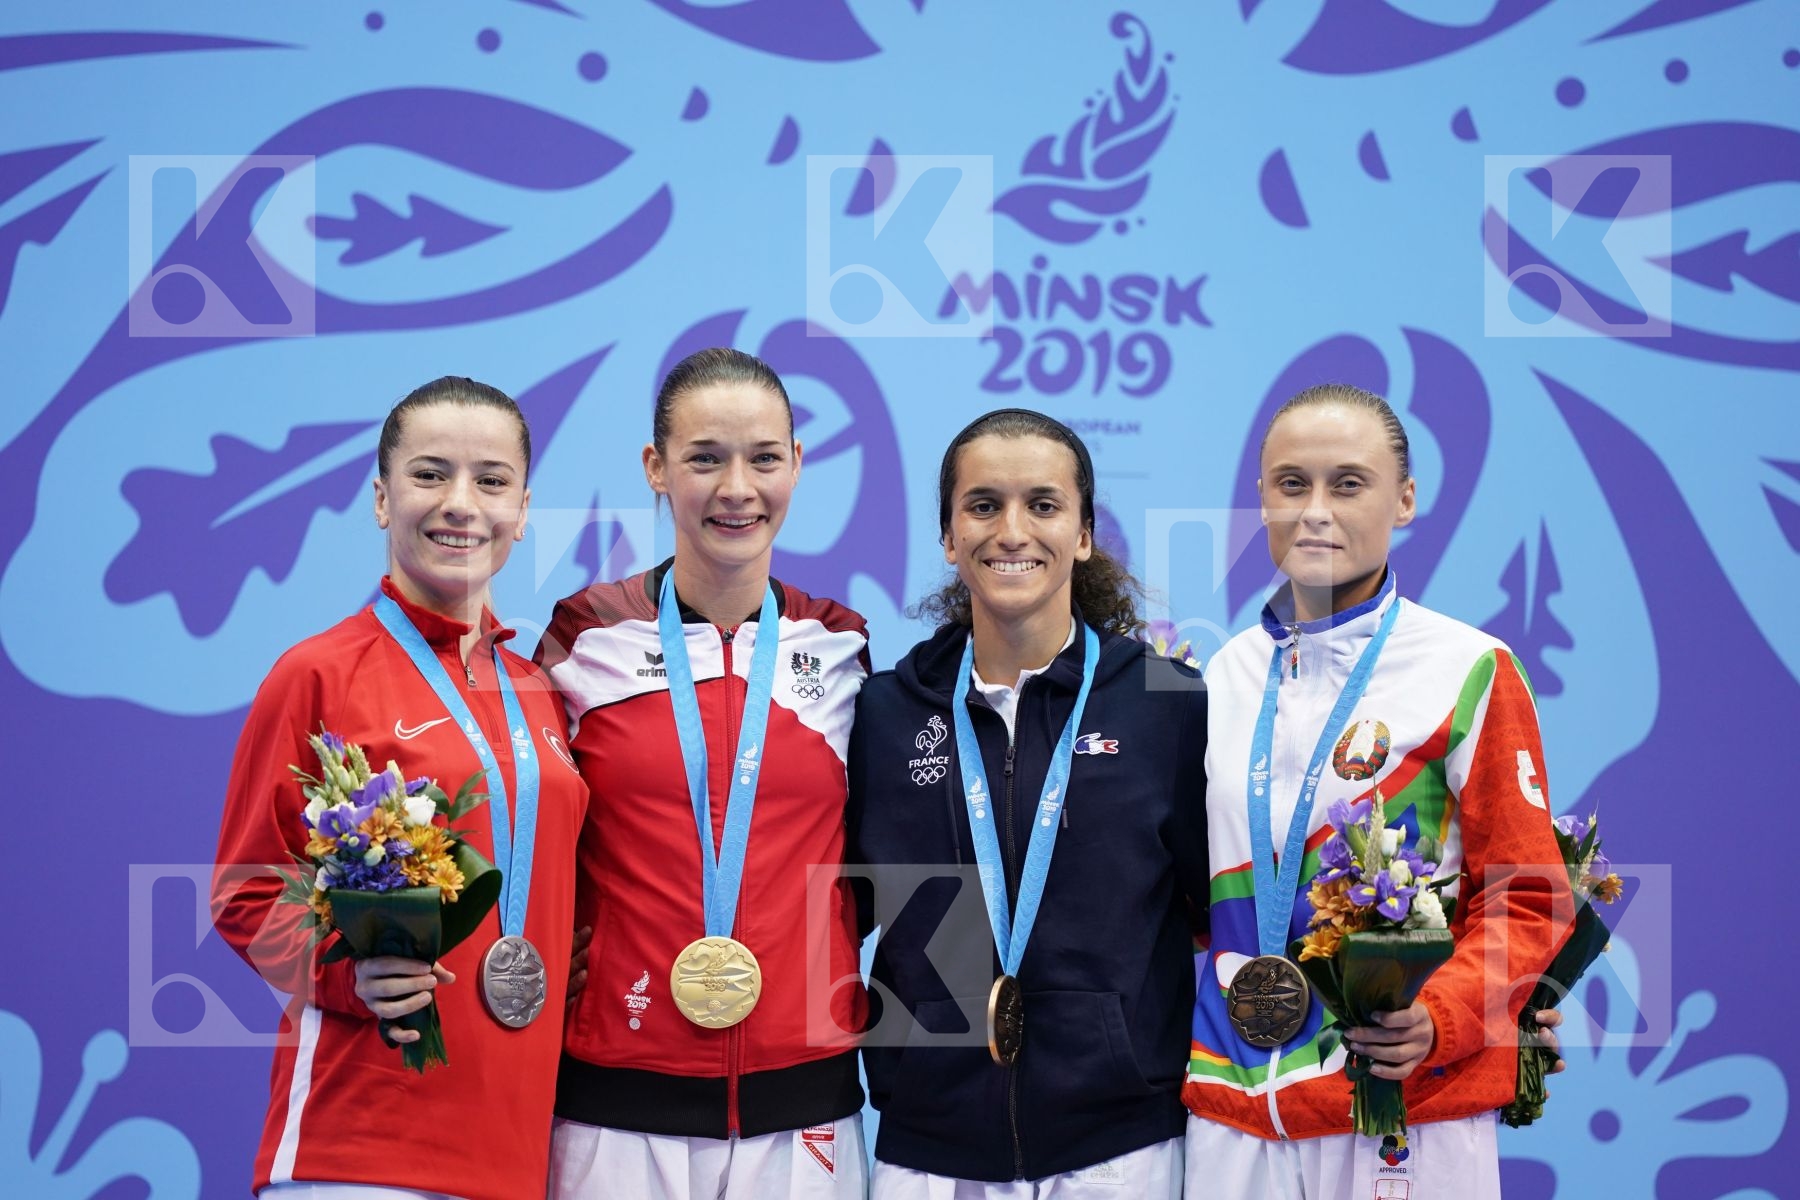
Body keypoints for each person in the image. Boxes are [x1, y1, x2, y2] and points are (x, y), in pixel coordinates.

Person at [1183, 384, 1574, 1199]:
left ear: (1404, 500)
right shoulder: (1222, 676)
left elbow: (1529, 896)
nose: (1315, 511)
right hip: (1231, 1112)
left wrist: (1445, 1018)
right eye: (1292, 484)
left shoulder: (1468, 669)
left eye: (1348, 484)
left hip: (1397, 1106)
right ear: (1261, 499)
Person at [212, 377, 589, 1200]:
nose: (461, 504)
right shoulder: (317, 674)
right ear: (383, 499)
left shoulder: (542, 694)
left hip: (519, 1150)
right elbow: (245, 890)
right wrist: (345, 977)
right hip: (359, 1147)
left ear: (523, 511)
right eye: (429, 475)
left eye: (491, 480)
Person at [847, 408, 1209, 1198]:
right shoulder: (885, 714)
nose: (1012, 531)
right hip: (928, 1150)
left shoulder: (1167, 705)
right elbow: (839, 916)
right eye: (984, 505)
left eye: (1043, 504)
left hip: (1121, 1149)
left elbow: (1220, 912)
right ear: (949, 536)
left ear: (1083, 534)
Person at [535, 348, 870, 1199]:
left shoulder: (841, 646)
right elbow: (524, 825)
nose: (737, 488)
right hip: (616, 1099)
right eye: (705, 458)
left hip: (805, 1103)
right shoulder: (585, 639)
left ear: (798, 463)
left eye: (763, 458)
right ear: (657, 468)